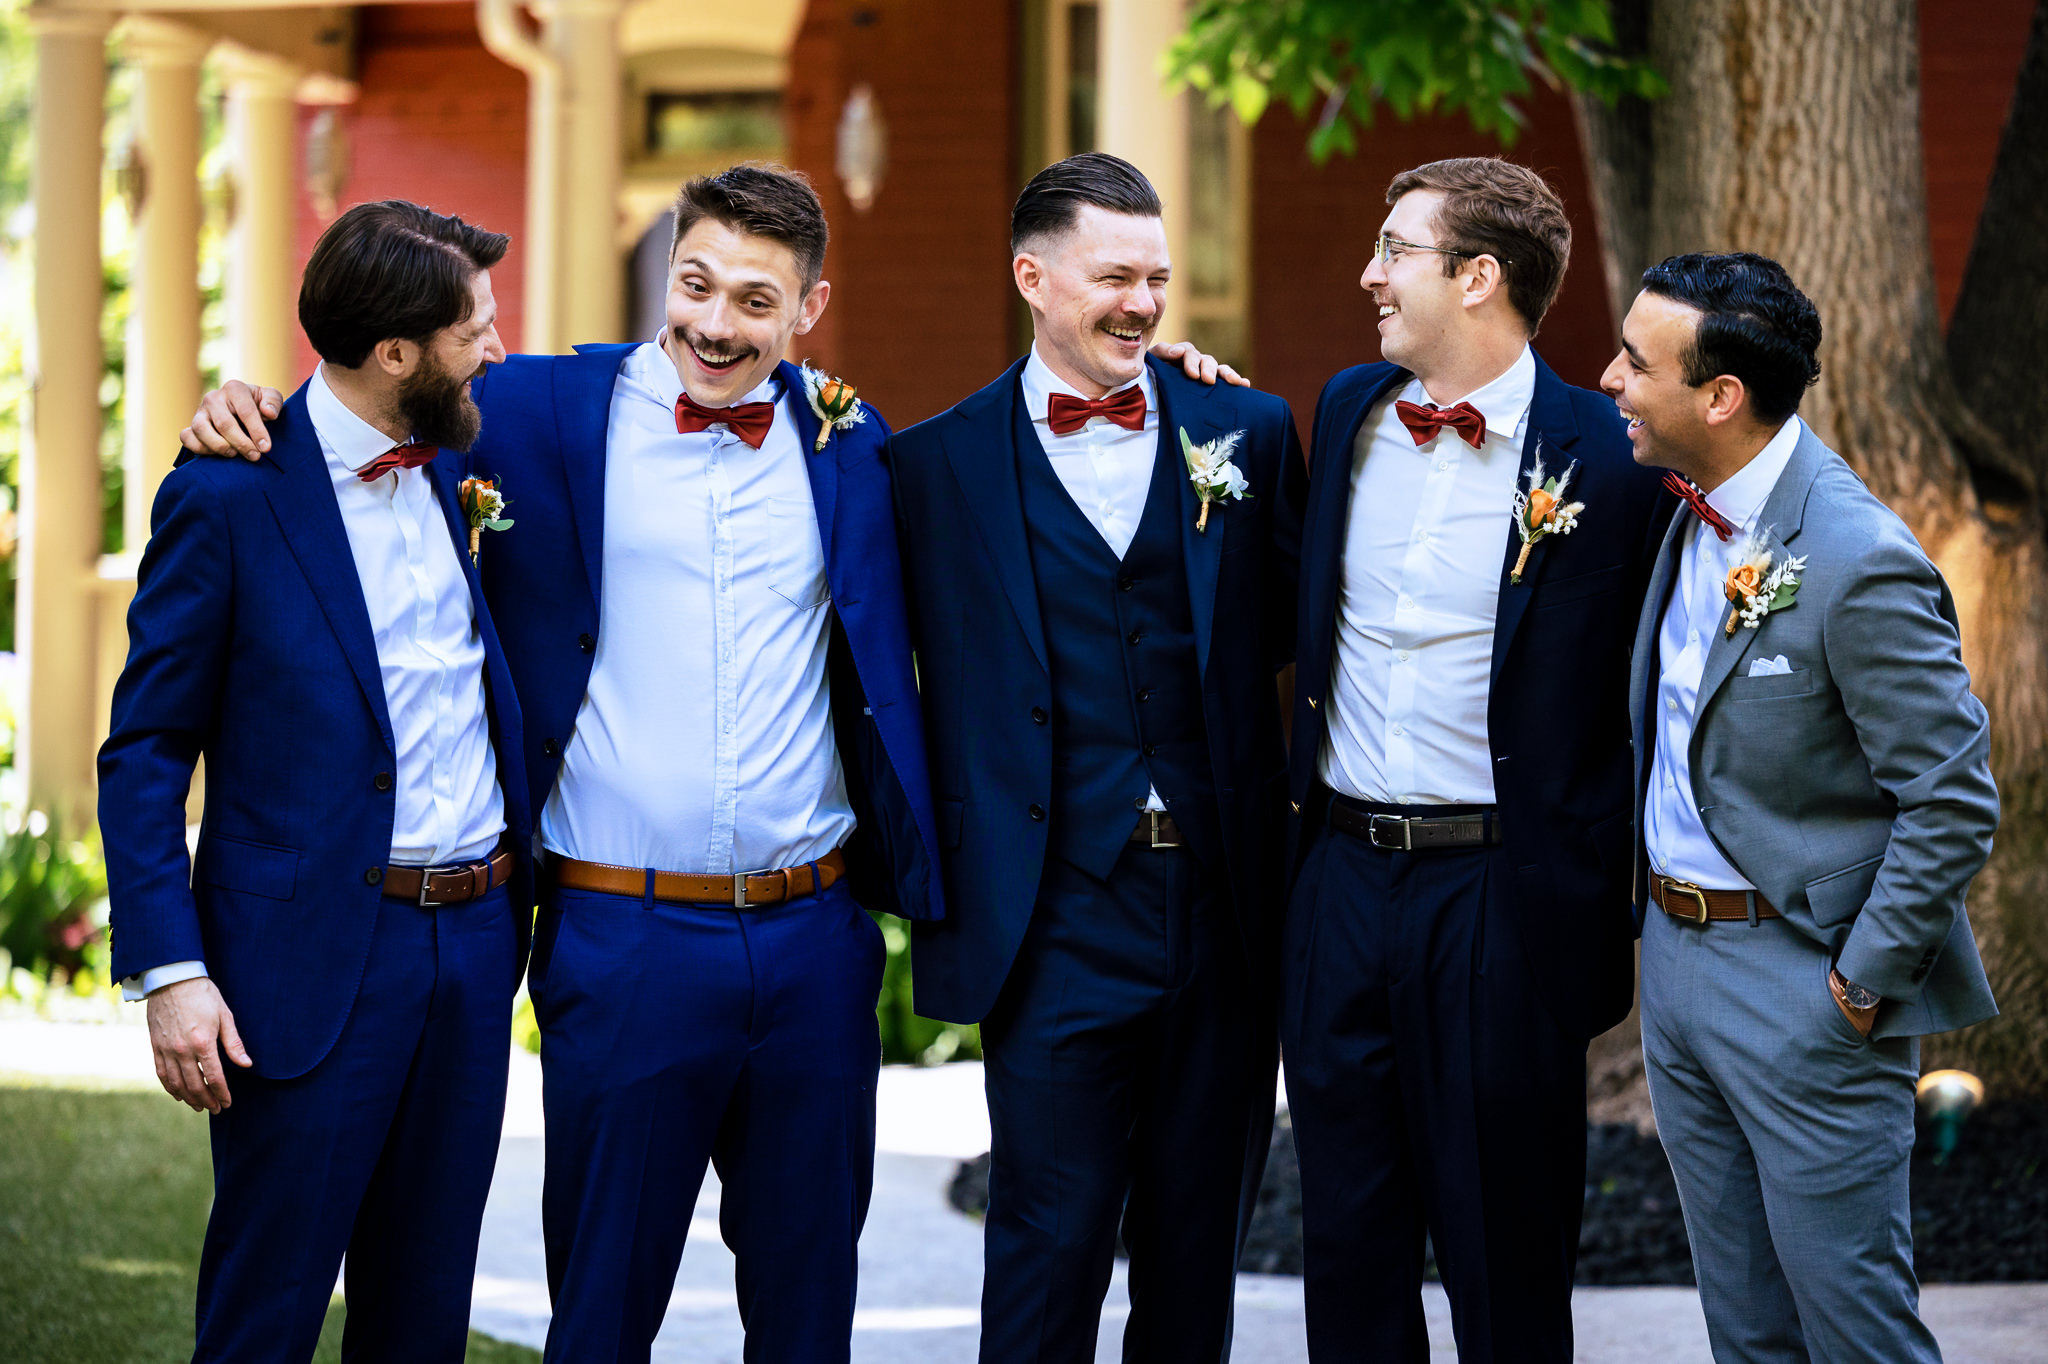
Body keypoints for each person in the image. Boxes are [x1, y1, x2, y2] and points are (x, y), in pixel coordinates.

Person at [179, 162, 1238, 1364]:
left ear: (808, 310)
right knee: (602, 1313)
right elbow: (375, 391)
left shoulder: (856, 448)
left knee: (804, 1312)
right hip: (620, 937)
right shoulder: (531, 416)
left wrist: (1178, 388)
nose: (716, 323)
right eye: (695, 285)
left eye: (754, 299)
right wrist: (244, 409)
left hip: (815, 948)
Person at [886, 151, 1306, 1363]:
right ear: (1031, 275)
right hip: (1049, 910)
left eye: (1156, 279)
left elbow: (1291, 631)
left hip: (1221, 906)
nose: (1140, 302)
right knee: (1046, 1237)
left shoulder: (1248, 431)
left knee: (1193, 1257)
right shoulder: (930, 468)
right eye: (1112, 275)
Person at [100, 201, 532, 1363]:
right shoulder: (228, 495)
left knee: (422, 1309)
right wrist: (171, 971)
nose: (499, 346)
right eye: (476, 328)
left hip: (475, 945)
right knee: (267, 1306)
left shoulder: (459, 455)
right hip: (305, 960)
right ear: (395, 353)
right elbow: (144, 750)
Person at [1282, 157, 1671, 1363]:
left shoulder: (1611, 462)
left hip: (1503, 896)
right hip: (1340, 877)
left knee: (1505, 1255)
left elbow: (1659, 683)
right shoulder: (1345, 410)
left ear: (1478, 276)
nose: (1368, 273)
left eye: (1394, 249)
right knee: (1343, 1243)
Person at [1604, 251, 1997, 1364]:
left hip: (1804, 986)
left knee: (1853, 1327)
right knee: (1745, 1327)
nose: (1611, 378)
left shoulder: (1855, 556)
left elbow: (1950, 796)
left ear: (1718, 397)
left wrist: (1857, 983)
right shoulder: (1680, 511)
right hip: (1674, 970)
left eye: (1636, 361)